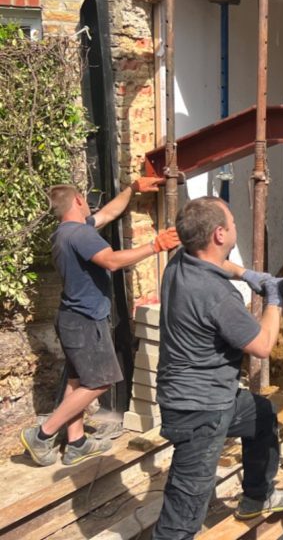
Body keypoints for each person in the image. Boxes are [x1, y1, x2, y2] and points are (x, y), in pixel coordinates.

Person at [152, 197, 283, 539]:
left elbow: (220, 266)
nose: (235, 228)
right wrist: (274, 299)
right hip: (200, 410)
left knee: (261, 415)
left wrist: (248, 274)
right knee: (184, 508)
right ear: (219, 234)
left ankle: (256, 497)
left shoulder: (180, 262)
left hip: (200, 395)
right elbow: (262, 345)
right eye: (232, 223)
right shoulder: (218, 297)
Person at [20, 178, 180, 467]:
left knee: (77, 380)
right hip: (84, 319)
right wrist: (155, 245)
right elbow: (112, 261)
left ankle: (77, 442)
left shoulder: (65, 232)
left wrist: (132, 188)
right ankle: (41, 435)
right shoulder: (81, 235)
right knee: (101, 381)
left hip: (71, 317)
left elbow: (108, 213)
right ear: (79, 201)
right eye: (86, 202)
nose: (91, 208)